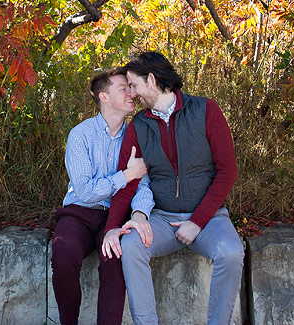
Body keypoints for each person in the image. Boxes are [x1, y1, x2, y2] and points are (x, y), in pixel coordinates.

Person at [100, 50, 244, 325]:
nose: (131, 94)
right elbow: (127, 182)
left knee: (231, 252)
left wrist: (197, 222)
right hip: (162, 219)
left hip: (208, 217)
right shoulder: (139, 125)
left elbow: (227, 172)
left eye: (133, 85)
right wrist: (112, 229)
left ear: (151, 80)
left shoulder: (205, 110)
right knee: (130, 245)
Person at [52, 66, 153, 325]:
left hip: (117, 214)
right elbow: (85, 192)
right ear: (104, 97)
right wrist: (125, 176)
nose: (131, 93)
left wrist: (140, 214)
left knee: (115, 258)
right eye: (123, 89)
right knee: (63, 253)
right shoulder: (81, 135)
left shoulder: (137, 135)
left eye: (131, 88)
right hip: (79, 214)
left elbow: (144, 185)